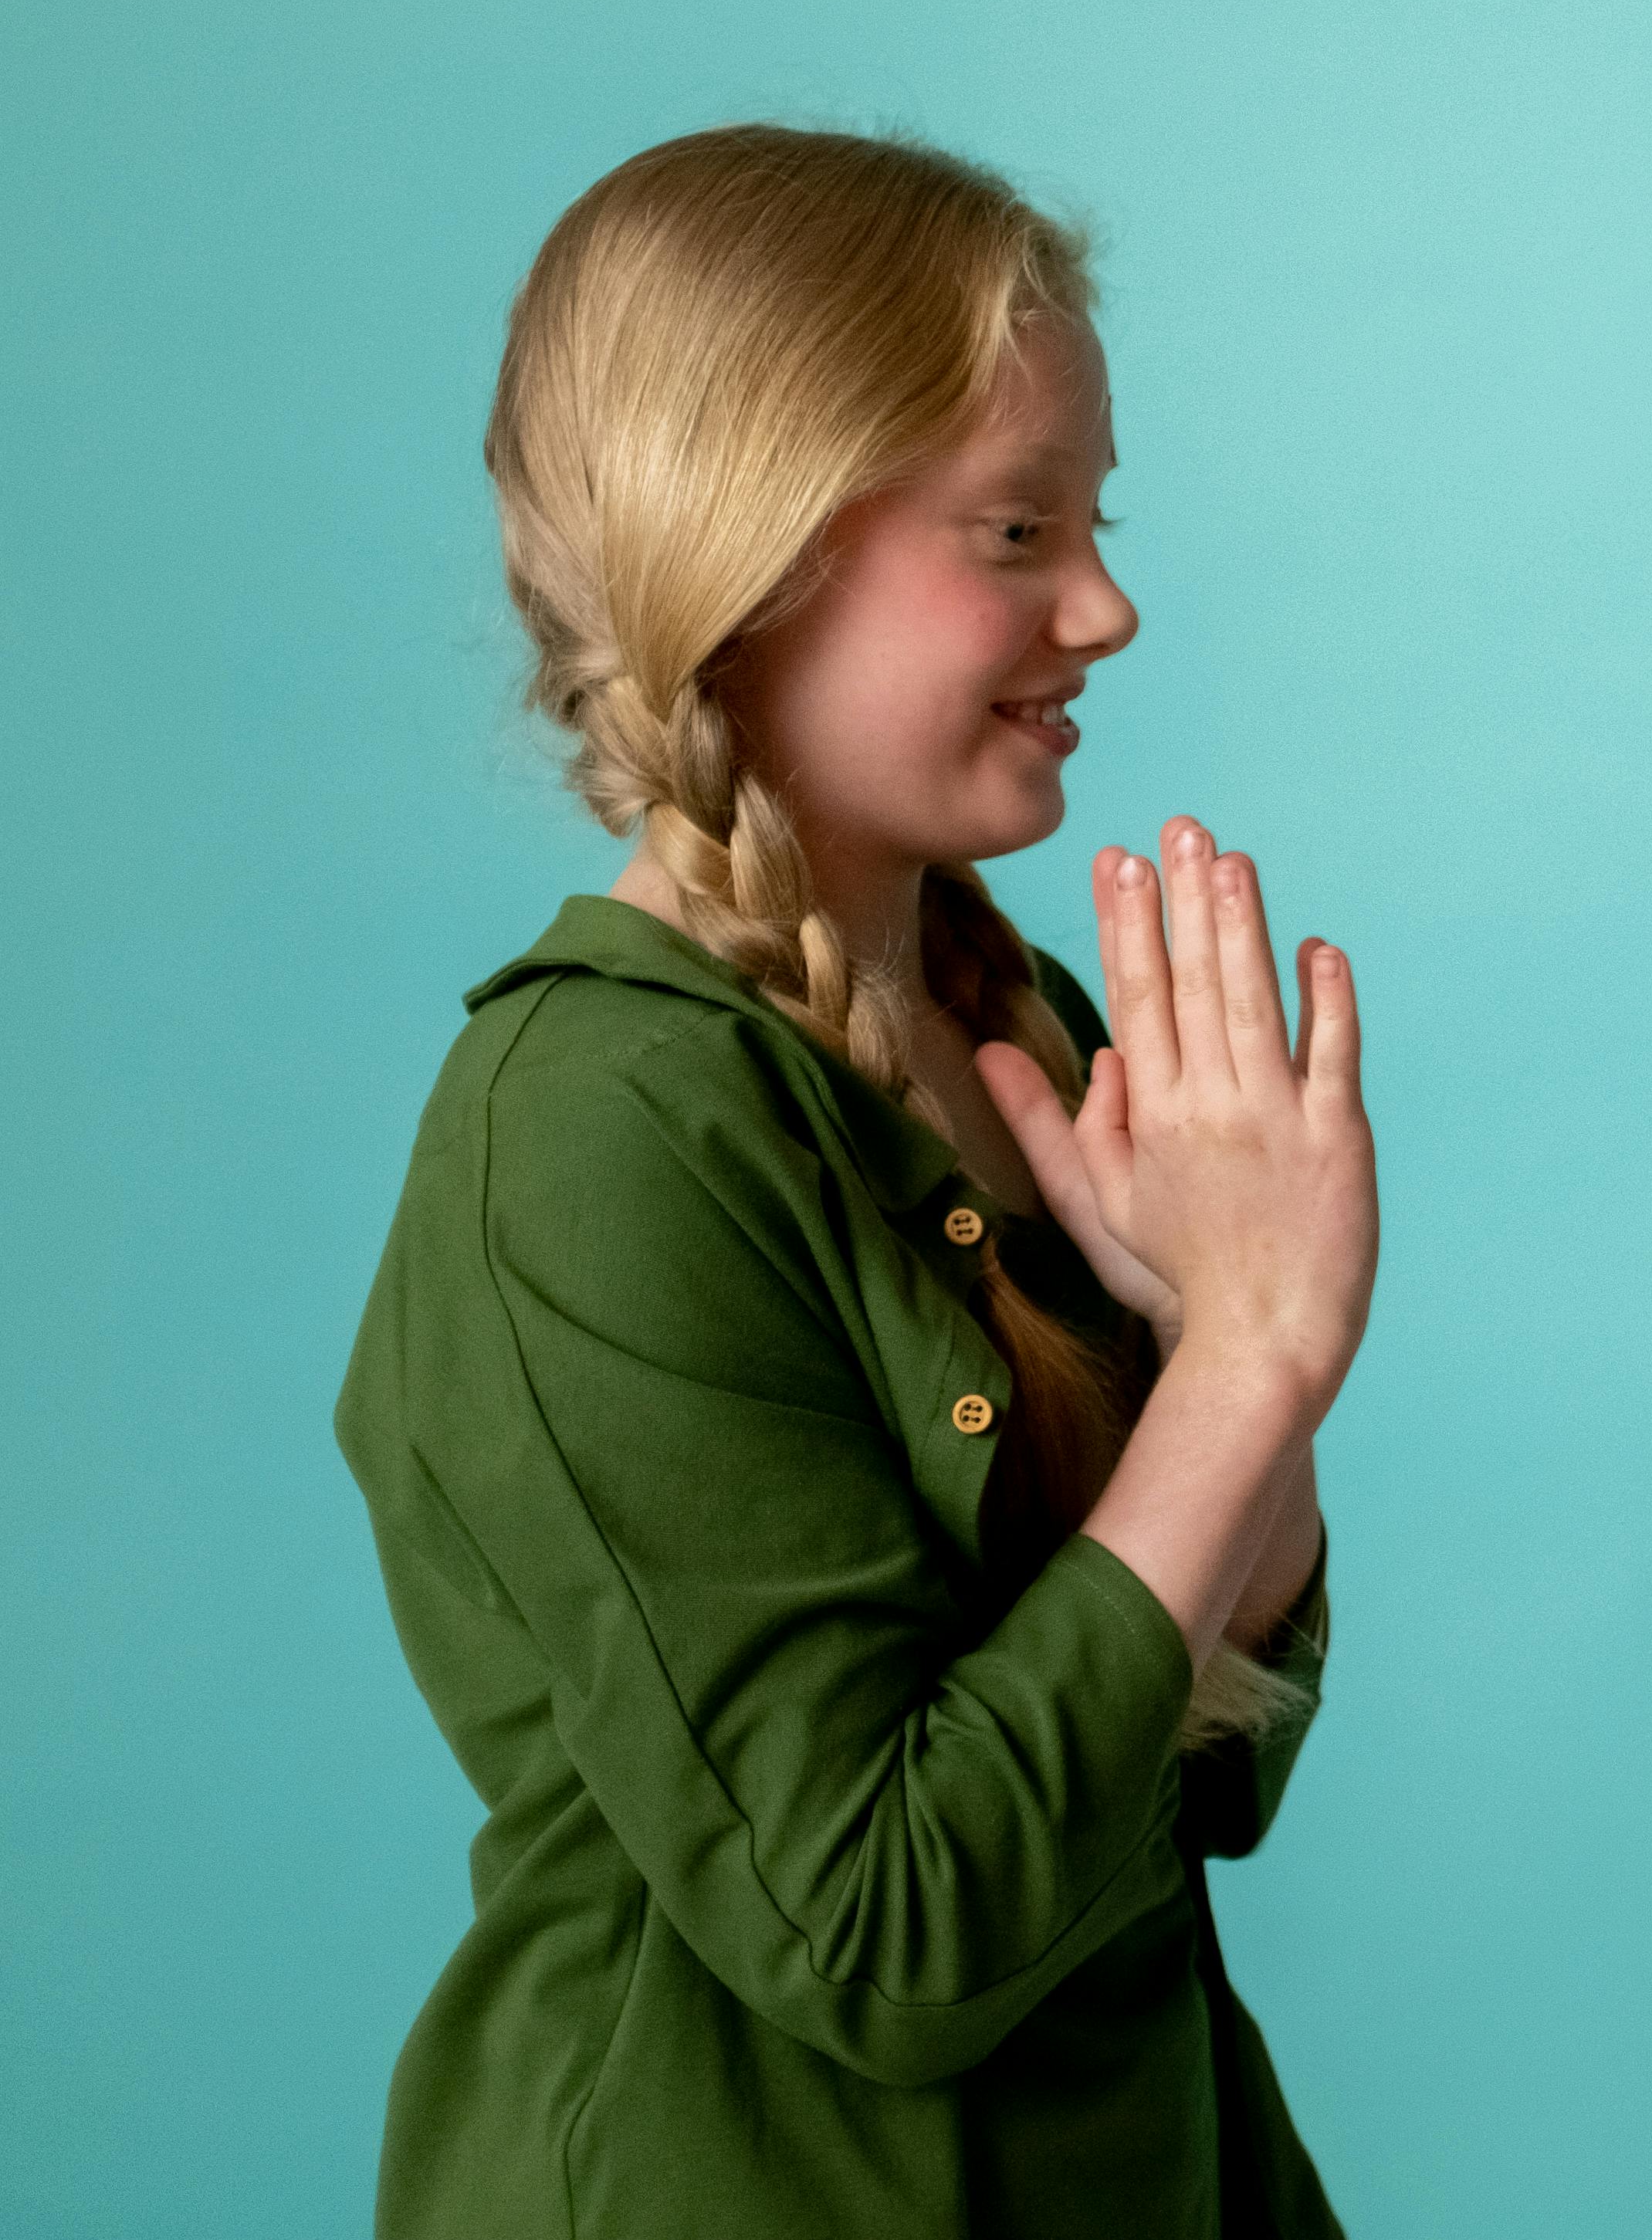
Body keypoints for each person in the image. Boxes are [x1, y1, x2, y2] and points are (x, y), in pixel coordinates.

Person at [336, 126, 1375, 2237]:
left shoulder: (1027, 1025)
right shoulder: (598, 1126)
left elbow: (1202, 1765)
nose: (1104, 604)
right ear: (761, 546)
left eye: (1094, 520)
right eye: (1015, 527)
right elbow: (880, 1938)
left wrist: (1213, 1352)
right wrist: (1253, 1359)